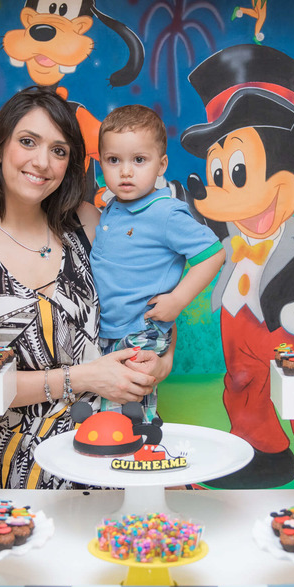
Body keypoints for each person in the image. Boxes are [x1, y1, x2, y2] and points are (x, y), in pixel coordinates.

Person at [0, 87, 172, 489]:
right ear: (0, 147)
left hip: (122, 453)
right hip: (20, 471)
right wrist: (85, 377)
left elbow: (153, 306)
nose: (42, 162)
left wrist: (161, 362)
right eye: (28, 142)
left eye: (59, 151)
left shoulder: (90, 225)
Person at [92, 105, 223, 420]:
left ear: (161, 164)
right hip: (111, 327)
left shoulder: (166, 212)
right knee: (107, 401)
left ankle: (140, 444)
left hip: (141, 327)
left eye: (139, 160)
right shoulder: (111, 209)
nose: (126, 171)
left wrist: (177, 300)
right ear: (102, 163)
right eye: (114, 160)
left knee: (127, 401)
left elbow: (213, 253)